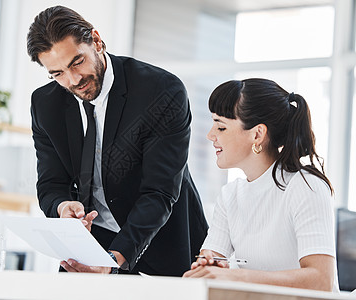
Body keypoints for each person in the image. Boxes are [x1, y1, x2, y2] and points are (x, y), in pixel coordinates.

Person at [26, 5, 207, 276]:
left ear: (96, 41)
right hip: (89, 250)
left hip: (160, 246)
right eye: (58, 73)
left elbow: (159, 192)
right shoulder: (45, 105)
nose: (74, 80)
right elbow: (51, 183)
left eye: (77, 62)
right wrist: (63, 207)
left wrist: (114, 258)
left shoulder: (161, 91)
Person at [183, 78, 339, 292]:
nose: (210, 135)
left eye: (221, 127)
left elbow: (321, 280)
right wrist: (208, 266)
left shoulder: (305, 186)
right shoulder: (230, 195)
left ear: (257, 134)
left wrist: (236, 276)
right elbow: (212, 263)